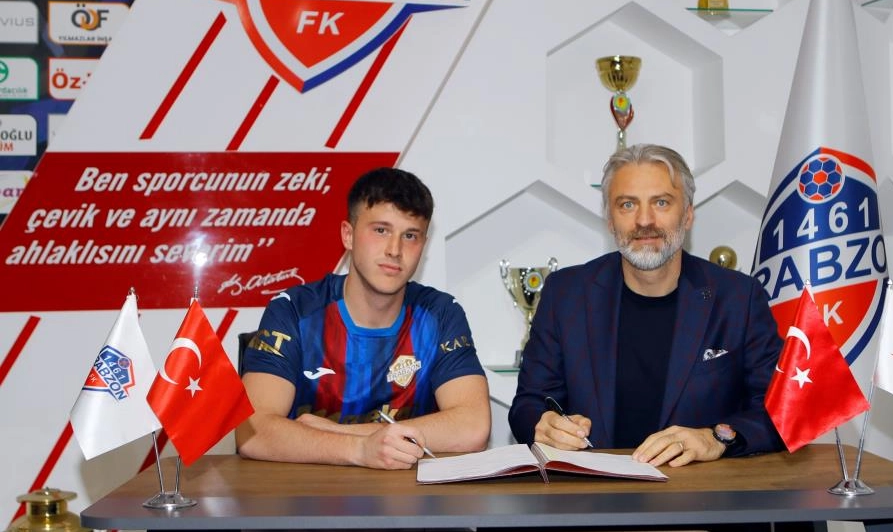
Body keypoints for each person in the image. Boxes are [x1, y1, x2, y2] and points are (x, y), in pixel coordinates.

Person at [508, 144, 784, 467]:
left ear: (688, 214)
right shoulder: (565, 295)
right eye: (627, 204)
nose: (644, 220)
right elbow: (528, 405)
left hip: (701, 494)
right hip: (594, 493)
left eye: (661, 202)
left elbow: (780, 412)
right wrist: (545, 425)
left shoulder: (739, 298)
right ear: (610, 220)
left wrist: (716, 437)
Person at [237, 167, 491, 469]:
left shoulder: (440, 313)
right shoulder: (294, 310)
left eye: (410, 235)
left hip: (407, 496)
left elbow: (473, 427)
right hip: (307, 494)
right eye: (381, 230)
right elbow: (252, 432)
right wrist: (359, 450)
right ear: (348, 235)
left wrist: (346, 435)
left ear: (423, 245)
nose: (395, 250)